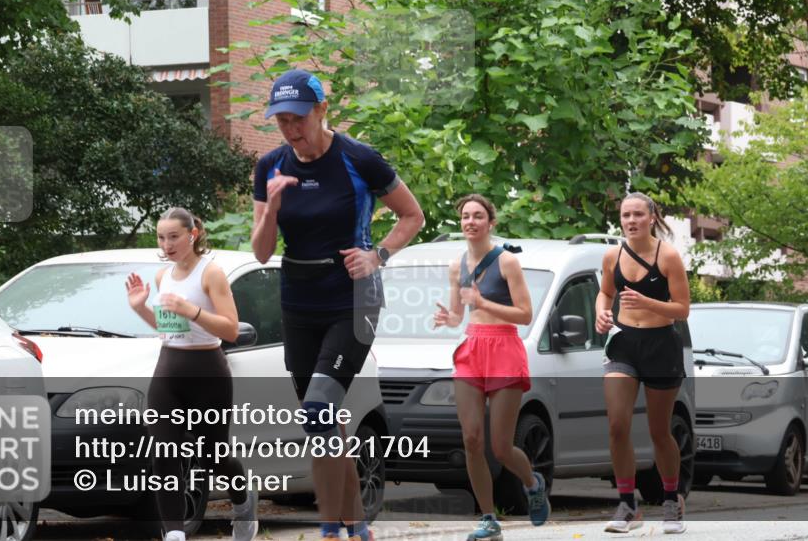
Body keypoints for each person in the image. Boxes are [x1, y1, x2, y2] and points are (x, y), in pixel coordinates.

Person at [251, 69, 425, 541]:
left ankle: (331, 527)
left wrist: (378, 254)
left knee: (317, 411)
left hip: (354, 299)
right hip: (298, 299)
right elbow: (262, 252)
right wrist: (269, 207)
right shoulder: (270, 165)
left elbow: (413, 215)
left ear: (322, 110)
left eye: (297, 119)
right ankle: (357, 525)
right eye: (280, 121)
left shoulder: (359, 158)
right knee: (321, 423)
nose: (290, 130)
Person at [125, 207, 258, 541]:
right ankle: (174, 534)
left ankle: (243, 503)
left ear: (192, 235)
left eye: (174, 236)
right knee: (163, 454)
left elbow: (229, 329)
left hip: (207, 372)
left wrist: (193, 310)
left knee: (212, 457)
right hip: (169, 370)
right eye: (161, 237)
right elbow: (170, 329)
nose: (167, 244)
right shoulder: (162, 277)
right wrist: (141, 307)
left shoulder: (210, 274)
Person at [432, 194, 549, 541]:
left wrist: (483, 302)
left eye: (478, 216)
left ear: (490, 222)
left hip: (504, 349)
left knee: (500, 446)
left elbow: (525, 315)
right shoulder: (457, 266)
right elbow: (459, 314)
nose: (470, 221)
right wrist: (448, 317)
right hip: (472, 349)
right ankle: (488, 519)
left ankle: (532, 482)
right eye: (465, 216)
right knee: (471, 439)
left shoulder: (507, 262)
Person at [594, 192, 690, 534]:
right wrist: (601, 313)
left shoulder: (669, 257)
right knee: (617, 424)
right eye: (625, 215)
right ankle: (628, 505)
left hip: (661, 345)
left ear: (652, 218)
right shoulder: (612, 255)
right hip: (623, 344)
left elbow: (682, 309)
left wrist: (648, 302)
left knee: (658, 430)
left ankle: (671, 499)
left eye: (637, 214)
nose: (631, 221)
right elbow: (605, 291)